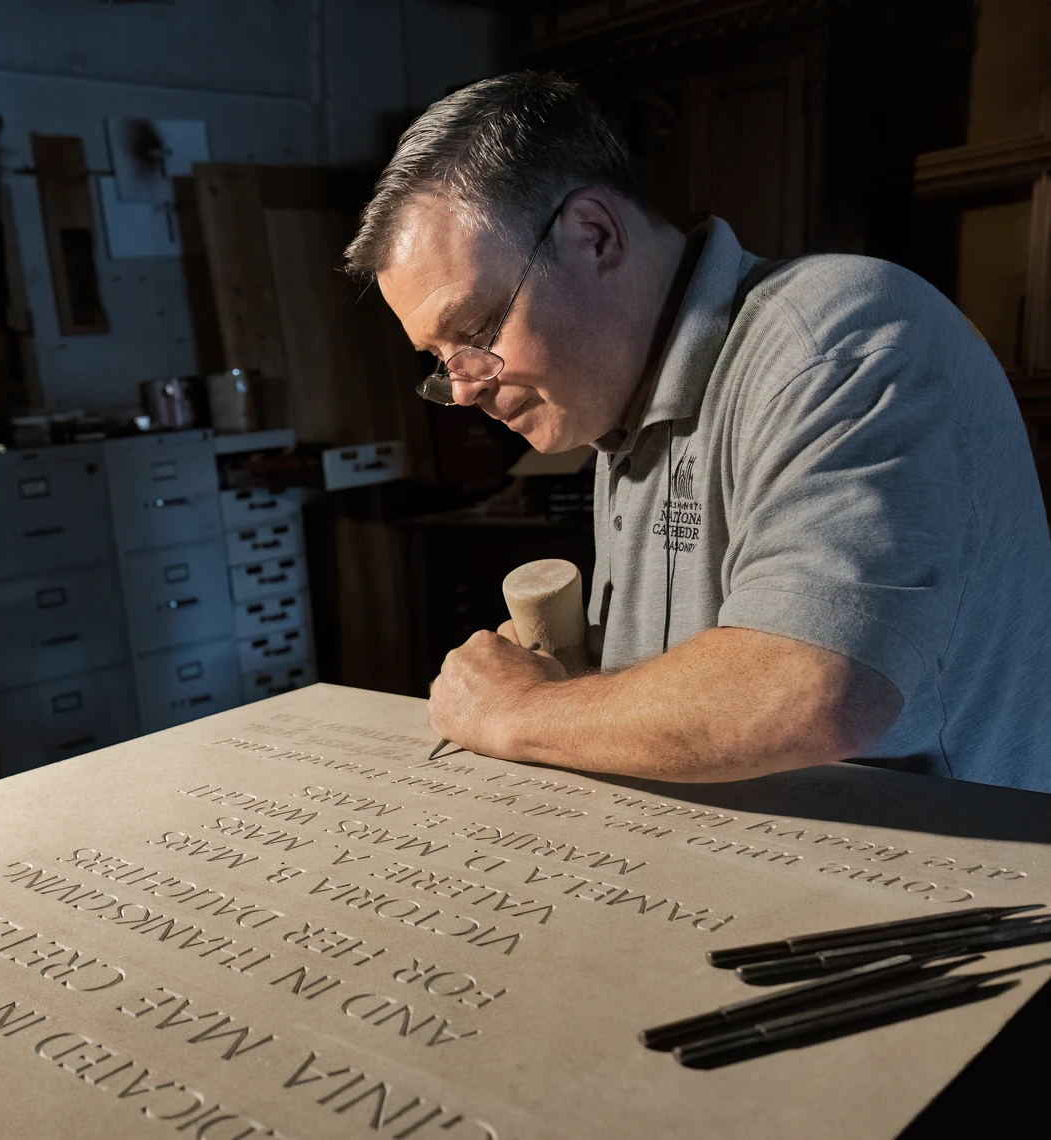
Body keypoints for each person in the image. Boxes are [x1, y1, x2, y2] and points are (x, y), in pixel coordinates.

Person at [344, 71, 1051, 793]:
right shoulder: (620, 411)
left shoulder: (839, 340)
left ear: (594, 236)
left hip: (940, 858)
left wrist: (519, 709)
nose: (463, 388)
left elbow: (811, 692)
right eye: (440, 360)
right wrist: (583, 680)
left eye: (476, 330)